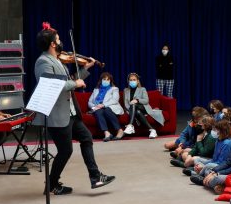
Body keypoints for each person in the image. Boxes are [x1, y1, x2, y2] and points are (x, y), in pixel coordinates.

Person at [33, 22, 114, 195]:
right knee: (65, 151)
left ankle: (95, 177)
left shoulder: (57, 60)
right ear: (53, 44)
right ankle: (52, 184)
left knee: (86, 138)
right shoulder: (43, 62)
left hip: (71, 112)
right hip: (57, 114)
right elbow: (50, 84)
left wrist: (84, 69)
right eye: (58, 39)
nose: (61, 41)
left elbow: (69, 79)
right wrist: (75, 83)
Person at [123, 72, 164, 139]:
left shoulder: (142, 89)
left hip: (143, 108)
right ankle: (152, 130)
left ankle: (130, 125)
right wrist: (130, 110)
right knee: (137, 112)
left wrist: (137, 100)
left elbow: (146, 100)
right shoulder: (126, 90)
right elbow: (126, 104)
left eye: (134, 80)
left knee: (134, 104)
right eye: (130, 80)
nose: (132, 81)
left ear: (138, 81)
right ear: (128, 81)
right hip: (133, 109)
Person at [87, 72, 124, 142]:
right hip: (98, 108)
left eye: (108, 79)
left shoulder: (114, 89)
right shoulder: (96, 90)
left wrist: (103, 105)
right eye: (104, 79)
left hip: (111, 107)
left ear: (110, 81)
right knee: (98, 111)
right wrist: (95, 107)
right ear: (101, 80)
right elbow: (90, 102)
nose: (106, 81)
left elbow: (115, 100)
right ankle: (107, 133)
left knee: (107, 110)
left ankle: (120, 130)